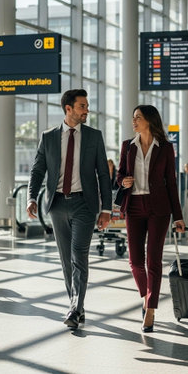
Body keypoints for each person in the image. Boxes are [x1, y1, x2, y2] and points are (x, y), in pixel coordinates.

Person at [27, 89, 111, 329]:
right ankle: (77, 305)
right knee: (66, 260)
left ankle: (74, 308)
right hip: (57, 205)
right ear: (68, 109)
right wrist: (31, 197)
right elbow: (37, 170)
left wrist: (106, 209)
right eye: (82, 106)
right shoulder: (49, 137)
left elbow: (103, 174)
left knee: (79, 256)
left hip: (85, 204)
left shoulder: (94, 137)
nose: (87, 110)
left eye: (86, 106)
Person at [117, 105, 185, 333]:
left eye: (138, 117)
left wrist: (179, 216)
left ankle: (151, 310)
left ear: (149, 120)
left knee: (153, 260)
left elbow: (172, 183)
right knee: (136, 261)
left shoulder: (165, 148)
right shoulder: (128, 146)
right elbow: (119, 174)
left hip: (159, 209)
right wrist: (123, 181)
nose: (133, 121)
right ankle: (146, 296)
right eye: (133, 117)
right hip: (134, 206)